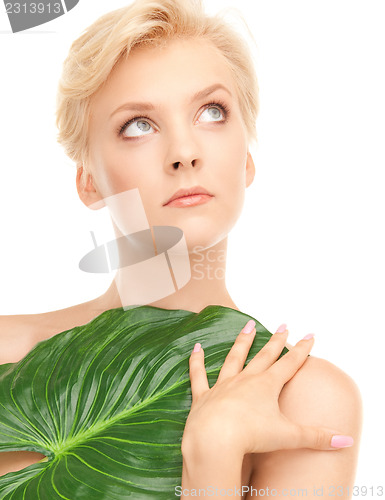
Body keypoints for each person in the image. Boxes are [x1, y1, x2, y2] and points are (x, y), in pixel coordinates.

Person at [0, 0, 362, 494]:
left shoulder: (302, 398)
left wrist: (211, 461)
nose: (185, 152)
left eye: (211, 112)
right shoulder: (7, 350)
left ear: (247, 158)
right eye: (138, 125)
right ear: (89, 183)